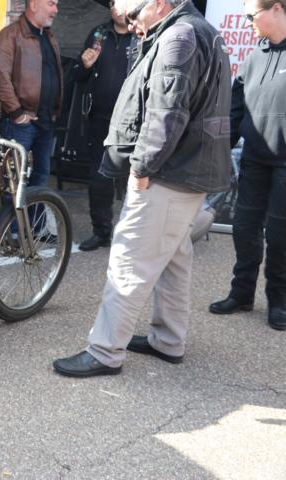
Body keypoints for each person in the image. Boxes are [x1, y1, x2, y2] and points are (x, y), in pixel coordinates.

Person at [52, 0, 232, 377]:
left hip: (169, 173)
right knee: (174, 259)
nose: (130, 22)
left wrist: (142, 168)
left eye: (134, 14)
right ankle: (168, 340)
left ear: (159, 3)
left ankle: (104, 351)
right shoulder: (196, 31)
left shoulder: (178, 37)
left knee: (129, 260)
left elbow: (168, 113)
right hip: (188, 170)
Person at [209, 0, 286, 331]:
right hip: (254, 159)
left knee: (280, 237)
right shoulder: (254, 56)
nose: (247, 22)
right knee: (243, 228)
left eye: (251, 15)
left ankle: (279, 300)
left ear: (277, 9)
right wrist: (218, 152)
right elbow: (236, 109)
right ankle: (241, 294)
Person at [73, 1, 134, 251]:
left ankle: (133, 238)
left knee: (134, 182)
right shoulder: (99, 34)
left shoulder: (142, 36)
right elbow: (78, 76)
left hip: (132, 123)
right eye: (113, 3)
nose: (117, 8)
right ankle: (101, 232)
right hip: (99, 119)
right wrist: (84, 65)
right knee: (98, 180)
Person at [0, 0, 62, 188]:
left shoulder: (50, 37)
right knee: (12, 181)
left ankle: (35, 210)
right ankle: (12, 211)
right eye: (51, 4)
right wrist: (17, 113)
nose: (56, 10)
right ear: (34, 4)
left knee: (41, 176)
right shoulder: (10, 35)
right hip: (20, 124)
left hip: (45, 120)